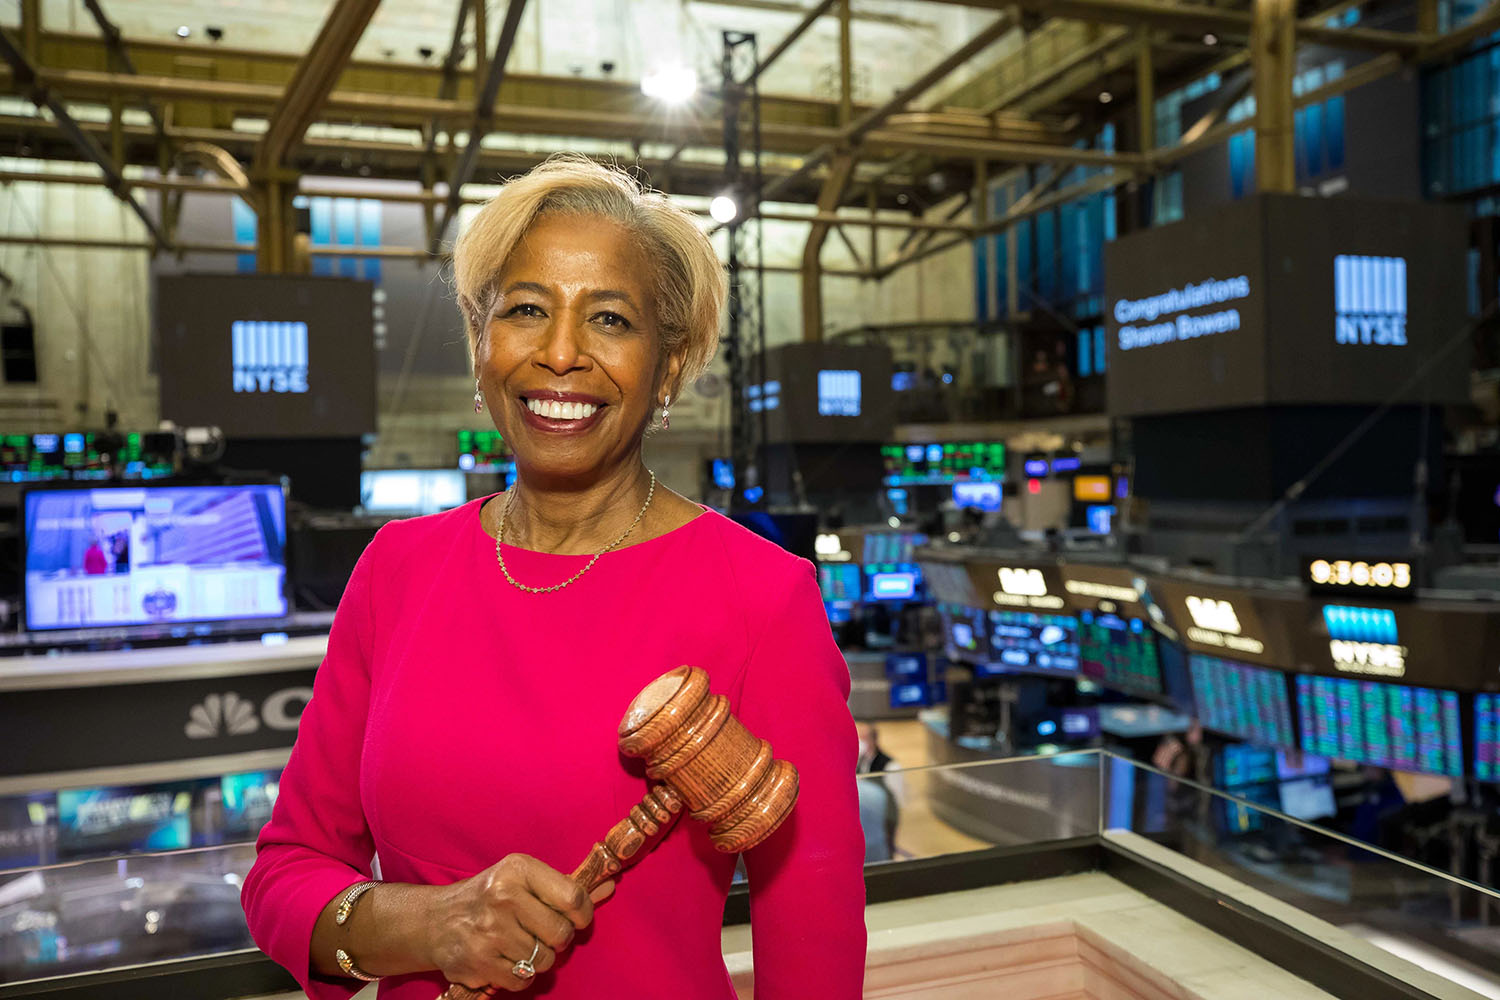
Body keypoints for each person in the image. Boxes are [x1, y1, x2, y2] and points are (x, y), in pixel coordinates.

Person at [240, 156, 867, 999]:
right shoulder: (398, 570)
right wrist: (433, 924)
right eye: (527, 309)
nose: (561, 352)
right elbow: (287, 874)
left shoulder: (763, 599)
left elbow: (814, 952)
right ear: (480, 343)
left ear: (669, 365)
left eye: (609, 319)